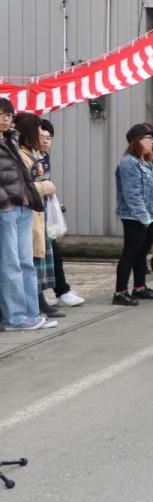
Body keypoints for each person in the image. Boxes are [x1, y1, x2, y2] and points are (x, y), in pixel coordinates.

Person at [0, 101, 55, 331]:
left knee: (26, 262)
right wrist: (4, 204)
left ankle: (32, 313)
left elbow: (23, 175)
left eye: (8, 115)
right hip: (7, 209)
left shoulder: (11, 138)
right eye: (1, 114)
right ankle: (15, 317)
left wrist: (30, 197)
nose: (5, 118)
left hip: (23, 206)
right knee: (11, 264)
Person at [113, 123, 153, 306]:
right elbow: (132, 194)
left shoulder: (145, 161)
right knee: (130, 253)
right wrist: (143, 217)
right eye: (148, 138)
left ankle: (139, 287)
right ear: (137, 141)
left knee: (141, 253)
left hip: (151, 215)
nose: (152, 140)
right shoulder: (128, 162)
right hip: (135, 217)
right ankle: (120, 292)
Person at [15, 114, 63, 320]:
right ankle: (35, 301)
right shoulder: (20, 154)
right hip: (30, 211)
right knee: (32, 258)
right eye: (38, 132)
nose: (42, 138)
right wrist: (48, 186)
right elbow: (25, 186)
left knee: (41, 256)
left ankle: (39, 298)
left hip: (39, 211)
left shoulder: (34, 154)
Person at [39, 119, 85, 309]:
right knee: (40, 256)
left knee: (51, 254)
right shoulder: (28, 155)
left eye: (49, 138)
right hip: (34, 213)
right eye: (41, 137)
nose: (45, 141)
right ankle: (53, 293)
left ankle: (57, 291)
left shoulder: (44, 157)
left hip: (45, 212)